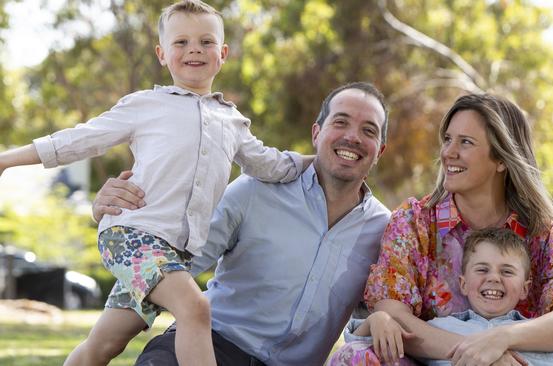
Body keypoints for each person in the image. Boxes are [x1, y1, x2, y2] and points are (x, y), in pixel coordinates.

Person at [0, 1, 308, 365]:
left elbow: (272, 165)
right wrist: (6, 160)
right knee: (195, 309)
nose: (194, 48)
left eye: (206, 42)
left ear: (223, 54)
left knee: (104, 344)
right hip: (131, 238)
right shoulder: (146, 105)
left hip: (172, 255)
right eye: (181, 42)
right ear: (162, 54)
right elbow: (78, 139)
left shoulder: (233, 123)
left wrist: (322, 157)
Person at [91, 81, 392, 366]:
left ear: (380, 151)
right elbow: (176, 256)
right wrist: (123, 215)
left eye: (368, 130)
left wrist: (378, 320)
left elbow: (368, 319)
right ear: (316, 132)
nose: (352, 136)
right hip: (213, 348)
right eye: (340, 122)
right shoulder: (255, 190)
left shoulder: (384, 230)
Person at [330, 93, 553, 366]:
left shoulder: (551, 232)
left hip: (521, 361)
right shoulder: (414, 221)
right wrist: (480, 356)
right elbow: (392, 312)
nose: (449, 153)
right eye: (448, 139)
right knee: (355, 356)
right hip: (434, 360)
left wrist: (501, 339)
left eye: (465, 142)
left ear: (501, 159)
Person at [336, 228, 553, 366]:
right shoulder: (443, 327)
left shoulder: (533, 335)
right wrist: (378, 318)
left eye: (507, 272)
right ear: (463, 283)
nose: (493, 278)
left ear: (526, 288)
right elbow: (367, 341)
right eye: (482, 269)